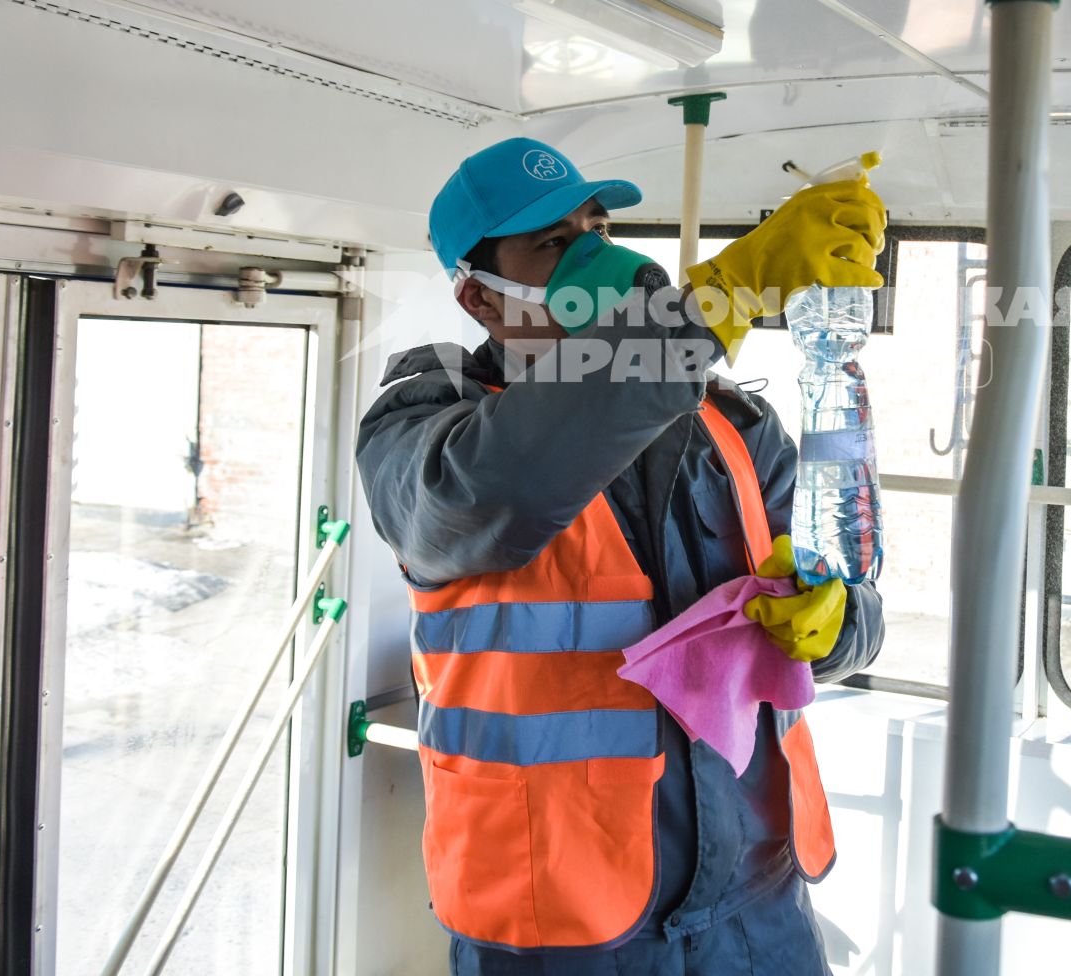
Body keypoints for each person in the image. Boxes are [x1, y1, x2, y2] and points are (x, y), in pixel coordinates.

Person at [357, 136, 888, 974]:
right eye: (556, 245)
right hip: (557, 925)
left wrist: (834, 626)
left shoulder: (735, 426)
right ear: (480, 299)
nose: (600, 259)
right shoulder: (425, 424)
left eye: (597, 227)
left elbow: (854, 606)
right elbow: (491, 495)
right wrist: (710, 307)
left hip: (759, 905)